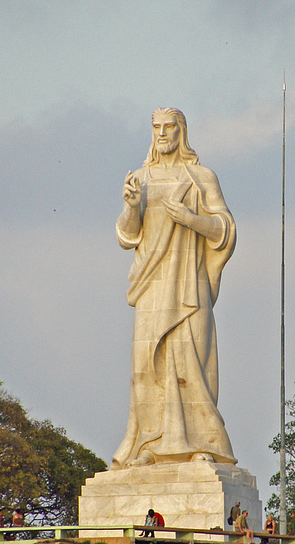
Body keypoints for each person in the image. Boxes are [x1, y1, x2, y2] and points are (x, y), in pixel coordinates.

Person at [111, 108, 238, 470]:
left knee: (193, 364)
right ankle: (150, 446)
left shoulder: (200, 177)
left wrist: (191, 219)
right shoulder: (140, 178)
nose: (162, 133)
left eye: (169, 127)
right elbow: (127, 235)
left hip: (189, 287)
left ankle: (202, 444)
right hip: (152, 286)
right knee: (147, 367)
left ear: (181, 131)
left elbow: (226, 229)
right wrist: (132, 207)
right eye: (156, 128)